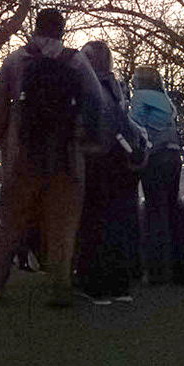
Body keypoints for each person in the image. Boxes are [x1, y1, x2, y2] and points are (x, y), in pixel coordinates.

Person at [0, 8, 110, 307]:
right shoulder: (76, 61)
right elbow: (95, 100)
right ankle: (60, 288)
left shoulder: (17, 59)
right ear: (62, 30)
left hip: (22, 153)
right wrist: (87, 138)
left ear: (35, 27)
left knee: (11, 220)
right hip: (66, 154)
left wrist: (2, 139)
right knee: (62, 225)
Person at [73, 40, 142, 304]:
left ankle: (95, 283)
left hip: (95, 158)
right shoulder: (117, 88)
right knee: (118, 220)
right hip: (119, 157)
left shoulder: (88, 88)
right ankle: (119, 283)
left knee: (93, 220)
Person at [130, 68, 184, 285]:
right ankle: (181, 266)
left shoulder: (140, 98)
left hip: (154, 157)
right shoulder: (166, 101)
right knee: (172, 209)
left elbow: (134, 124)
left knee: (155, 212)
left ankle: (157, 270)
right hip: (174, 157)